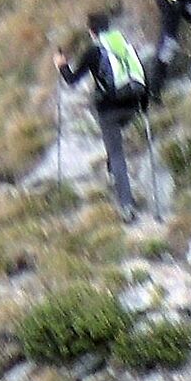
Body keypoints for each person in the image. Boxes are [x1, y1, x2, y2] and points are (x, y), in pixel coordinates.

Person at [54, 13, 150, 223]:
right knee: (114, 149)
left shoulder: (93, 51)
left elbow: (71, 80)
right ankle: (113, 173)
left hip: (109, 109)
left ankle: (126, 207)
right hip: (133, 104)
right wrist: (144, 105)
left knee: (116, 154)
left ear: (92, 31)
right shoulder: (124, 45)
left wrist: (61, 65)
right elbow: (141, 73)